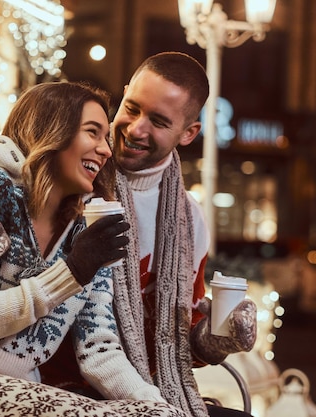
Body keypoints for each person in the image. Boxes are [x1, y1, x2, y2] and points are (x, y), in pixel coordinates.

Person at [0, 81, 186, 417]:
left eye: (106, 137)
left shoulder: (84, 229)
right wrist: (72, 272)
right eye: (93, 132)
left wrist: (161, 406)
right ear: (53, 131)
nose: (106, 149)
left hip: (18, 393)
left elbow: (99, 351)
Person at [39, 52, 257, 417]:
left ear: (189, 133)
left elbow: (179, 346)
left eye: (158, 121)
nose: (137, 128)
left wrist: (216, 341)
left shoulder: (190, 218)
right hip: (60, 389)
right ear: (122, 96)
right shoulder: (73, 181)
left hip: (150, 395)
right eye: (132, 108)